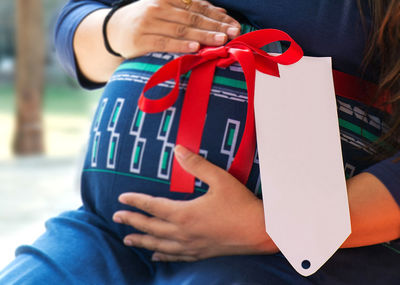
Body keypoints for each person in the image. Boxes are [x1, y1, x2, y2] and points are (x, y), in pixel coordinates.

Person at [1, 0, 399, 284]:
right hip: (105, 227)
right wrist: (115, 29)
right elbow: (74, 23)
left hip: (292, 256)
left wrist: (278, 229)